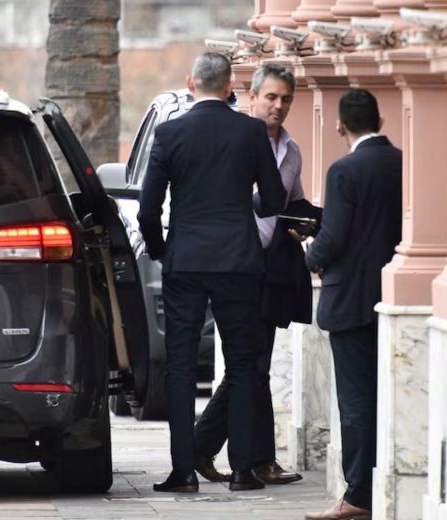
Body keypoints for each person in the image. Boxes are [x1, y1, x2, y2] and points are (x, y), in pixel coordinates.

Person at [138, 52, 287, 493]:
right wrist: (248, 206)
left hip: (185, 260)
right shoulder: (251, 131)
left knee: (180, 368)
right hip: (238, 262)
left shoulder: (169, 133)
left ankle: (183, 472)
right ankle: (243, 470)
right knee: (242, 363)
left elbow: (149, 209)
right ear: (229, 89)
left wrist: (164, 250)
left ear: (190, 84)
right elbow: (275, 200)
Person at [193, 62, 314, 486]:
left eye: (285, 100)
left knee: (254, 365)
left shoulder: (292, 152)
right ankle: (211, 447)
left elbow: (292, 202)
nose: (278, 106)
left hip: (271, 269)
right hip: (235, 266)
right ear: (251, 97)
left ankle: (244, 455)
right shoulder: (232, 141)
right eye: (271, 97)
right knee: (251, 364)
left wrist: (309, 222)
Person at [303, 89, 402, 520]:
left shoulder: (344, 170)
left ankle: (357, 495)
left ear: (340, 125)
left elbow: (334, 236)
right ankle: (375, 483)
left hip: (350, 300)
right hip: (392, 296)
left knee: (356, 402)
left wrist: (308, 256)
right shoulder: (401, 162)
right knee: (382, 398)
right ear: (380, 121)